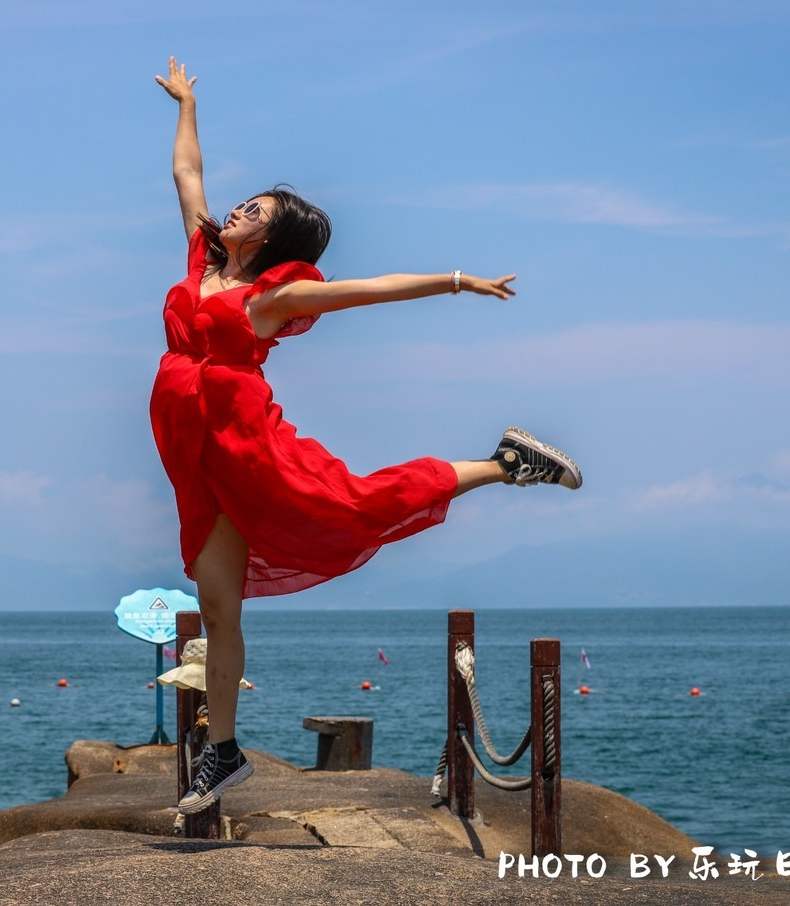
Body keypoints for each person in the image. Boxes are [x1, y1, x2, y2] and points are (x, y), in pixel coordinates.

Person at [150, 57, 582, 814]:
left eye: (257, 210)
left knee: (354, 505)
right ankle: (224, 755)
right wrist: (186, 103)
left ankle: (503, 463)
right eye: (244, 204)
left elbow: (373, 291)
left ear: (276, 234)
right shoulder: (202, 260)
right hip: (191, 456)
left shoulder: (275, 294)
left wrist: (457, 279)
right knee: (218, 611)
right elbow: (188, 172)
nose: (240, 211)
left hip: (248, 446)